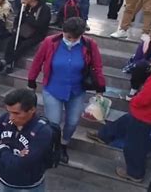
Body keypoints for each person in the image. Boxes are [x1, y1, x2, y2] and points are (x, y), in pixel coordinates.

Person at [87, 43, 151, 183]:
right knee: (126, 121)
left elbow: (147, 96)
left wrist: (135, 102)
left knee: (134, 145)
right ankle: (104, 135)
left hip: (146, 114)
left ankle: (135, 173)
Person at [28, 17, 106, 164]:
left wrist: (100, 88)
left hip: (77, 90)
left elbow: (97, 66)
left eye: (75, 37)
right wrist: (31, 80)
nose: (71, 40)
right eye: (68, 37)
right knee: (54, 123)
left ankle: (64, 143)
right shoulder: (50, 42)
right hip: (53, 88)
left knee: (73, 121)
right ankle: (53, 146)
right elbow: (38, 61)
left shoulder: (89, 44)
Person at [0, 88, 53, 192]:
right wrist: (14, 160)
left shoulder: (42, 131)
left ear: (32, 110)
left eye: (17, 113)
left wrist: (1, 147)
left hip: (29, 186)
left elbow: (21, 165)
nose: (11, 117)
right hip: (3, 181)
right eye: (9, 112)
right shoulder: (5, 120)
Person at [0, 0, 51, 74]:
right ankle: (6, 61)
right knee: (12, 41)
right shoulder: (26, 6)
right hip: (25, 30)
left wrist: (27, 14)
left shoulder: (44, 9)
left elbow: (40, 24)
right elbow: (18, 19)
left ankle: (7, 62)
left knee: (24, 44)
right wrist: (15, 27)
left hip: (37, 33)